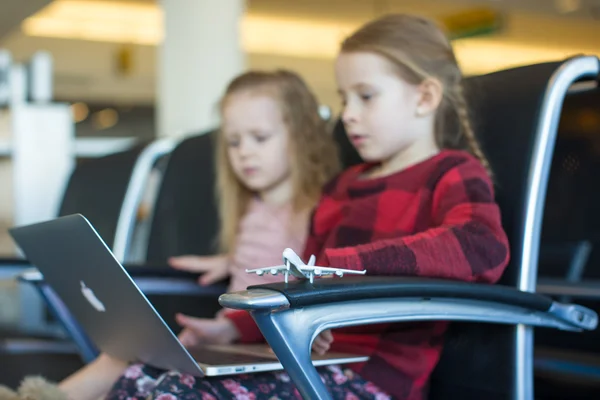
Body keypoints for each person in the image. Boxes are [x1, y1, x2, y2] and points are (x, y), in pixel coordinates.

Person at [26, 13, 509, 400]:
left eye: (366, 96)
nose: (349, 115)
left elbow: (482, 248)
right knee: (140, 379)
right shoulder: (343, 187)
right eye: (344, 98)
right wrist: (234, 326)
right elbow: (299, 285)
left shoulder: (451, 172)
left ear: (425, 96)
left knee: (173, 391)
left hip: (374, 381)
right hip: (310, 362)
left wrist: (340, 273)